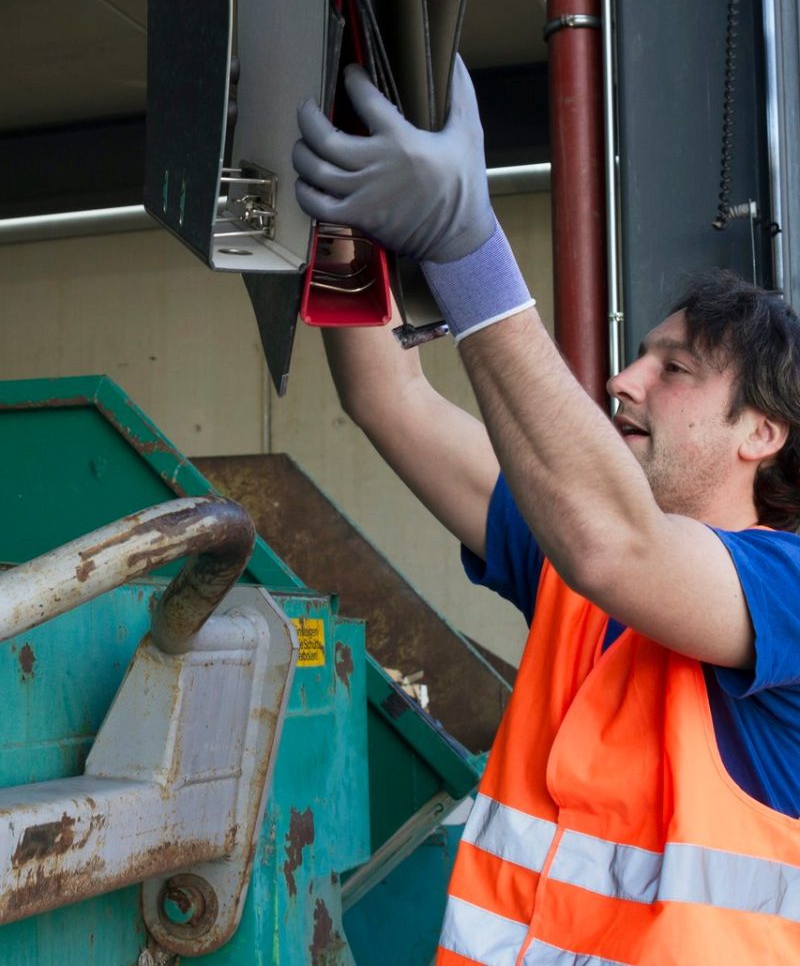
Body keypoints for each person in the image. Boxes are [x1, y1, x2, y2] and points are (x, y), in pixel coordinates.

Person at [293, 58, 800, 963]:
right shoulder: (577, 562)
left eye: (673, 369)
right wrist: (346, 231)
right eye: (640, 357)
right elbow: (390, 401)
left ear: (762, 432)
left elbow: (619, 550)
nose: (623, 380)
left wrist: (466, 246)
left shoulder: (786, 590)